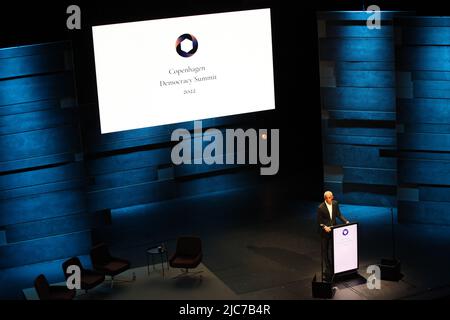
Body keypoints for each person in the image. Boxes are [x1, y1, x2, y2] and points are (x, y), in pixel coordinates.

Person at [317, 191, 349, 281]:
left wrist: (346, 221)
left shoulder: (335, 203)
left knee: (335, 247)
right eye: (330, 197)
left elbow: (339, 214)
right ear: (326, 198)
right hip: (325, 231)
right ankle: (328, 267)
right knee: (325, 249)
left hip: (334, 229)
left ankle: (335, 264)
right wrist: (324, 227)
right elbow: (319, 222)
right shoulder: (320, 207)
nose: (332, 198)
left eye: (332, 196)